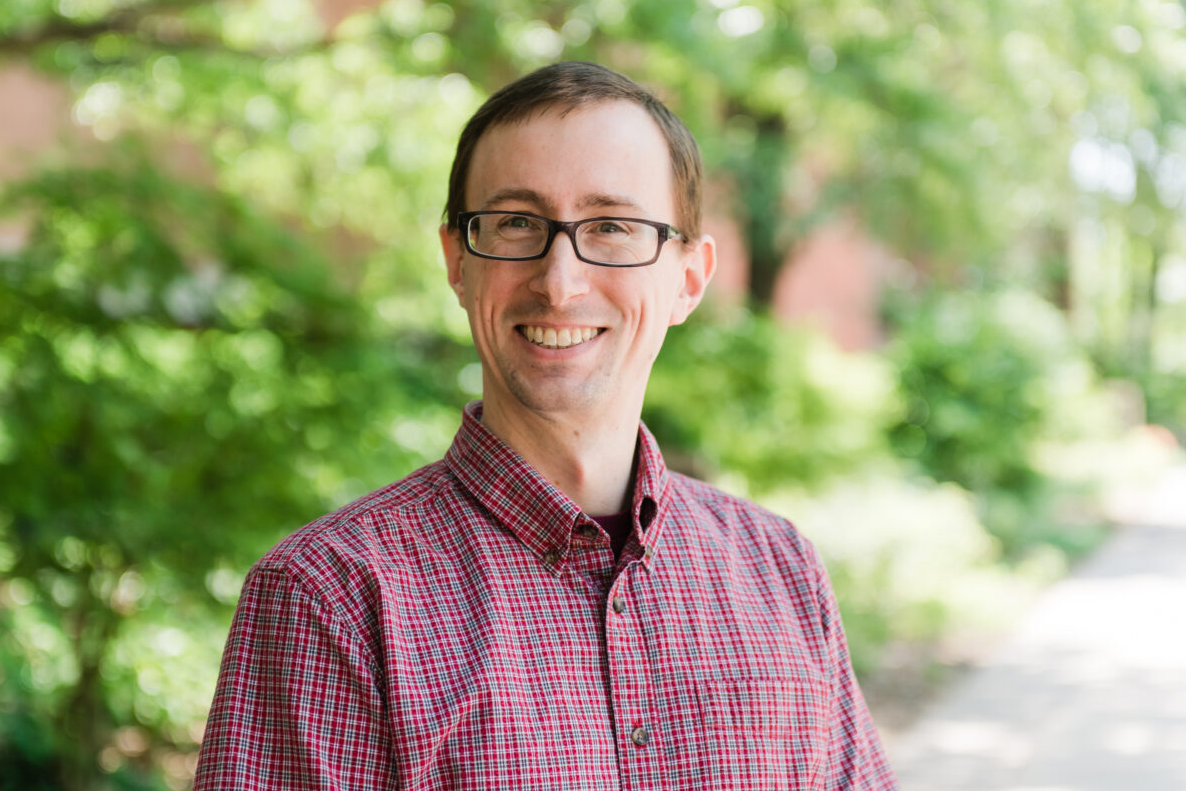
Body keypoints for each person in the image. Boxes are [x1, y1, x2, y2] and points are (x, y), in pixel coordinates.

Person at [194, 61, 898, 790]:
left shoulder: (780, 571)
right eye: (515, 225)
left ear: (689, 277)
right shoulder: (333, 597)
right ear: (456, 262)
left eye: (613, 226)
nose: (559, 283)